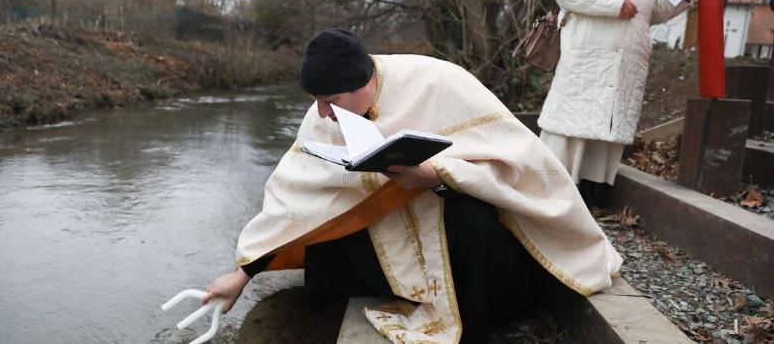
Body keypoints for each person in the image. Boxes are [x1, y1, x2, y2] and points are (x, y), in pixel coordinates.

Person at [202, 28, 623, 344]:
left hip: (463, 219)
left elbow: (516, 159)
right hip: (396, 224)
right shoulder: (325, 112)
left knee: (470, 220)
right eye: (315, 99)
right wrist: (243, 274)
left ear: (362, 84)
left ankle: (476, 327)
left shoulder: (438, 81)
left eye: (330, 100)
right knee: (324, 249)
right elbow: (295, 199)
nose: (322, 113)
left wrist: (438, 174)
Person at [537, 0, 690, 205]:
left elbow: (652, 12)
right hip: (587, 55)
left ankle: (593, 197)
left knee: (607, 126)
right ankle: (554, 193)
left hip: (627, 59)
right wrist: (613, 1)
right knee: (573, 126)